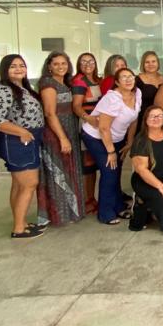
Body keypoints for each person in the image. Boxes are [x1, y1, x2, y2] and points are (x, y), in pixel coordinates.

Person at [0, 54, 47, 239]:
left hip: (27, 139)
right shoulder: (5, 91)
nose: (19, 69)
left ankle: (19, 221)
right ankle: (19, 228)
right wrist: (21, 131)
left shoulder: (22, 89)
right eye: (13, 66)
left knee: (19, 185)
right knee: (29, 184)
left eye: (22, 65)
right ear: (5, 70)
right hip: (19, 141)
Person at [82, 67, 141, 225]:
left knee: (116, 171)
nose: (128, 80)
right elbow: (103, 127)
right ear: (116, 82)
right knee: (109, 172)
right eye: (123, 77)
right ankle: (106, 213)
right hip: (97, 137)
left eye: (131, 76)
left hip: (118, 138)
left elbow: (134, 119)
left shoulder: (137, 93)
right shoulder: (112, 98)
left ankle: (119, 206)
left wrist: (129, 142)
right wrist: (110, 151)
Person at [36, 52, 86, 226]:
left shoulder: (65, 82)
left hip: (69, 129)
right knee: (58, 172)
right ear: (49, 66)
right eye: (56, 64)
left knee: (69, 170)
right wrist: (63, 138)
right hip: (56, 133)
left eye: (63, 63)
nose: (60, 67)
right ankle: (60, 215)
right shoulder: (48, 84)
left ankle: (71, 211)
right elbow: (50, 113)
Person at [129, 105, 163, 233]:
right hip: (144, 181)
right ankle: (141, 208)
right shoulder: (141, 140)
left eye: (159, 116)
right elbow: (142, 170)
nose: (156, 118)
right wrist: (161, 186)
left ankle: (144, 204)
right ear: (146, 119)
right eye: (152, 116)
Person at [71, 52, 102, 215]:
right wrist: (87, 118)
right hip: (87, 125)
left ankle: (92, 198)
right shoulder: (79, 81)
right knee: (87, 166)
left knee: (93, 165)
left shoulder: (96, 80)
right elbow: (76, 105)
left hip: (98, 126)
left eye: (91, 61)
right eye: (83, 61)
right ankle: (86, 201)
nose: (88, 64)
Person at [134, 50, 163, 133]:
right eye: (147, 62)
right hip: (142, 120)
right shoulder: (136, 80)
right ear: (143, 65)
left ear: (158, 63)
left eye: (153, 61)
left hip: (160, 120)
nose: (150, 64)